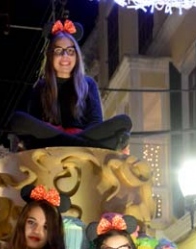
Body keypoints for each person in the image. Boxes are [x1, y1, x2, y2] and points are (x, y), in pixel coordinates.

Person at [8, 19, 132, 151]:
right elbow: (35, 126)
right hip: (49, 140)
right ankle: (86, 146)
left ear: (76, 56)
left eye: (70, 51)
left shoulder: (88, 83)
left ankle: (72, 144)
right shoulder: (41, 86)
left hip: (68, 140)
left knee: (124, 121)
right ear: (50, 56)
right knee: (18, 119)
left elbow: (95, 123)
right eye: (58, 51)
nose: (65, 55)